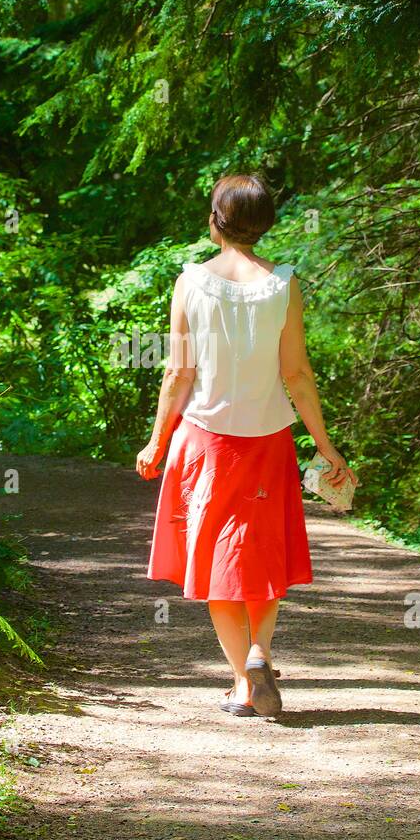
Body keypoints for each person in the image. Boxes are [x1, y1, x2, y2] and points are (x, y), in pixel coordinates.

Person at [136, 173, 357, 718]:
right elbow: (297, 374)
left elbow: (178, 373)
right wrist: (326, 445)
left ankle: (242, 682)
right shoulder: (284, 283)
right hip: (269, 442)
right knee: (261, 556)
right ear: (265, 224)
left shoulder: (191, 281)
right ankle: (260, 651)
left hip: (205, 445)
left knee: (215, 564)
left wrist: (156, 440)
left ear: (215, 221)